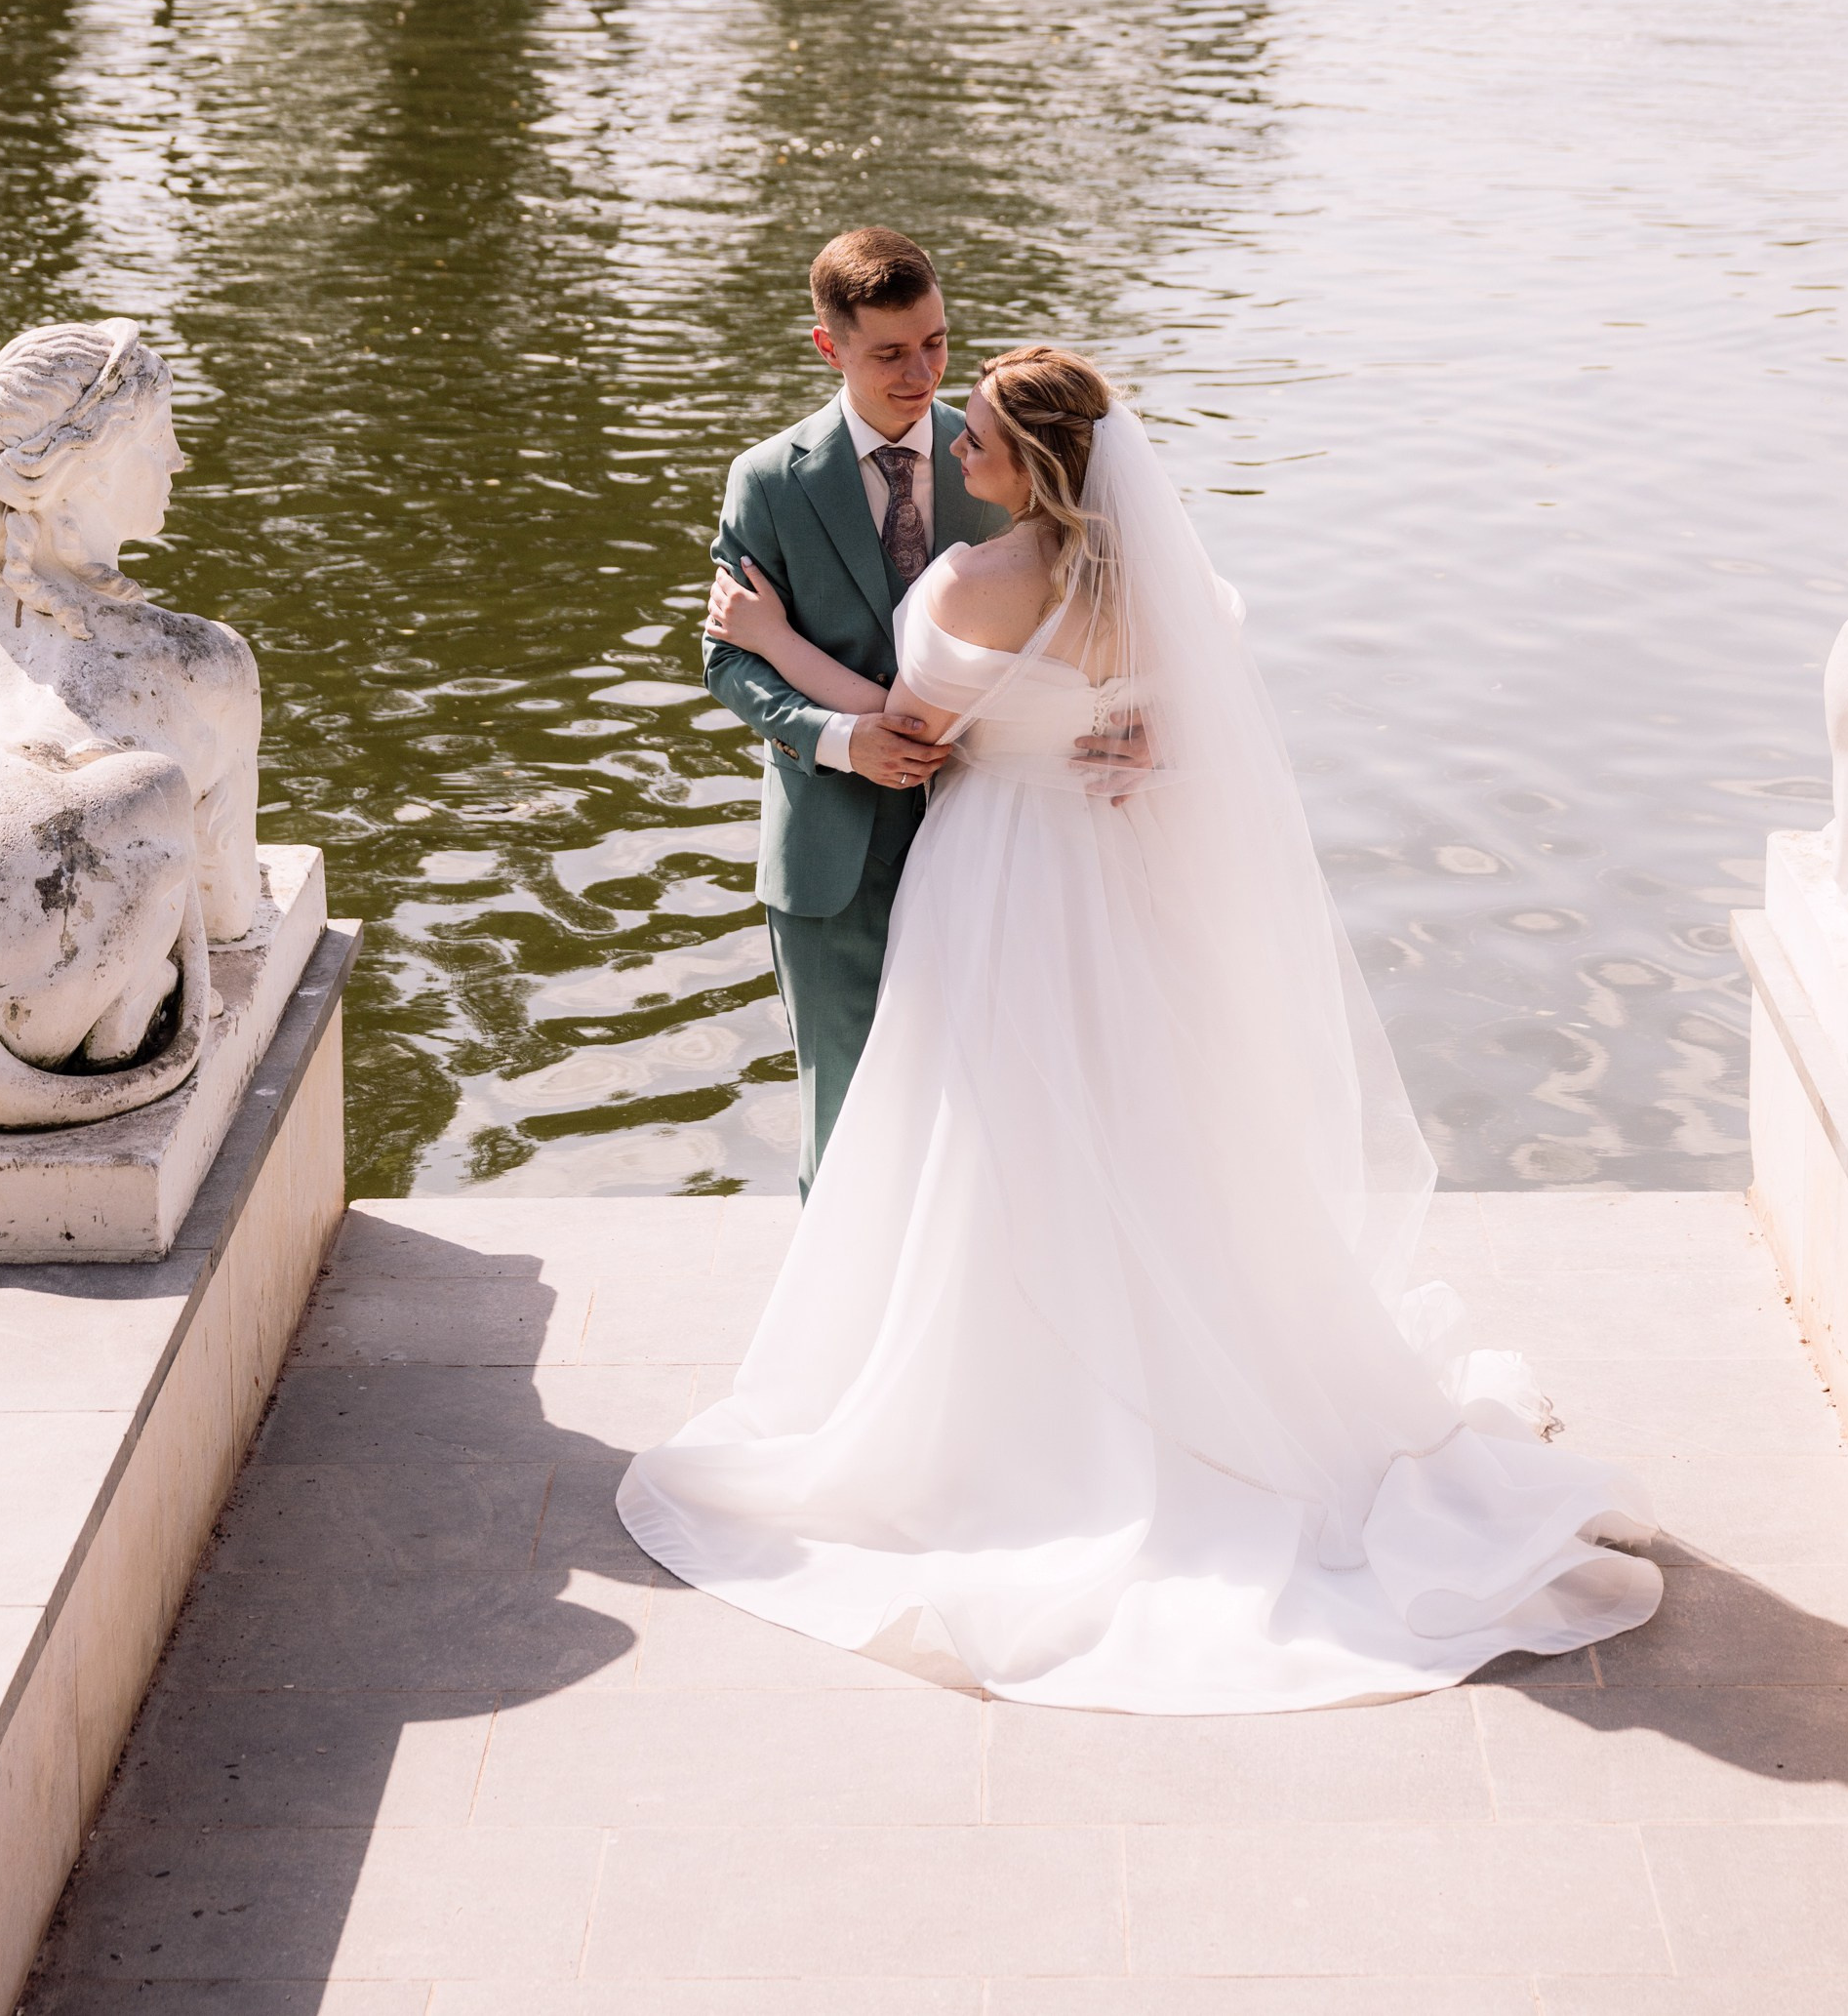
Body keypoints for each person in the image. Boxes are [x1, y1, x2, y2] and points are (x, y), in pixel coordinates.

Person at [623, 343, 1662, 1714]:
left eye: (980, 432)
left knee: (988, 1126)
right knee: (1140, 1118)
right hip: (1112, 878)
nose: (960, 445)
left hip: (995, 872)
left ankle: (1019, 1397)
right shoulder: (1156, 594)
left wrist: (770, 645)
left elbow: (910, 727)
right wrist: (1149, 725)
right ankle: (1164, 1352)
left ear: (1030, 464)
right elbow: (1206, 682)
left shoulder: (968, 585)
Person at [703, 229, 1008, 1191]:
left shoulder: (997, 462)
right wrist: (842, 742)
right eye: (890, 352)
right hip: (831, 855)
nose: (922, 374)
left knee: (987, 1105)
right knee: (844, 1111)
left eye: (937, 343)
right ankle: (835, 1330)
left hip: (992, 839)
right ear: (828, 347)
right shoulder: (769, 479)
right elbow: (727, 659)